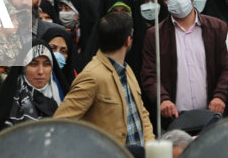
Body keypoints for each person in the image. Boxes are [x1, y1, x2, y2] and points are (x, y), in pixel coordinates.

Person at [140, 0, 228, 124]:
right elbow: (149, 75)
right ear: (164, 1)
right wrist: (162, 99)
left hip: (213, 117)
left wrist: (220, 96)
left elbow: (227, 67)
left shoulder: (218, 28)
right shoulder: (154, 35)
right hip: (175, 120)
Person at [54, 10, 155, 146]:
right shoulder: (92, 76)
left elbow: (141, 113)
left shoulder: (126, 69)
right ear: (128, 40)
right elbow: (60, 122)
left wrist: (150, 148)